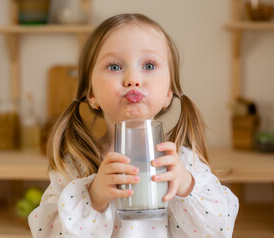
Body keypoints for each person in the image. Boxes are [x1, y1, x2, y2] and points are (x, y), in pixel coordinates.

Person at [28, 13, 239, 238]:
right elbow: (48, 232)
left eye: (149, 65)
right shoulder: (74, 167)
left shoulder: (184, 163)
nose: (133, 79)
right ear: (91, 94)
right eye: (114, 66)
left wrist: (186, 185)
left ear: (168, 93)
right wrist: (94, 197)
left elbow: (220, 229)